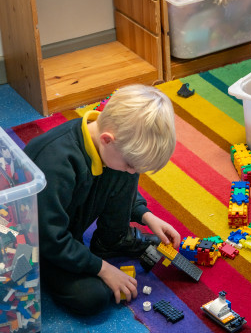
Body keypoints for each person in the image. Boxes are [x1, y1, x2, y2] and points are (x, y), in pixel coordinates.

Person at [24, 84, 181, 315]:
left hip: (68, 218)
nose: (131, 172)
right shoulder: (55, 164)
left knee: (121, 169)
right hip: (39, 242)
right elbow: (49, 238)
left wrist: (146, 215)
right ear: (107, 139)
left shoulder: (106, 143)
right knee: (94, 297)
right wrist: (102, 269)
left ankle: (112, 240)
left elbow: (119, 180)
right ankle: (89, 259)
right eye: (130, 164)